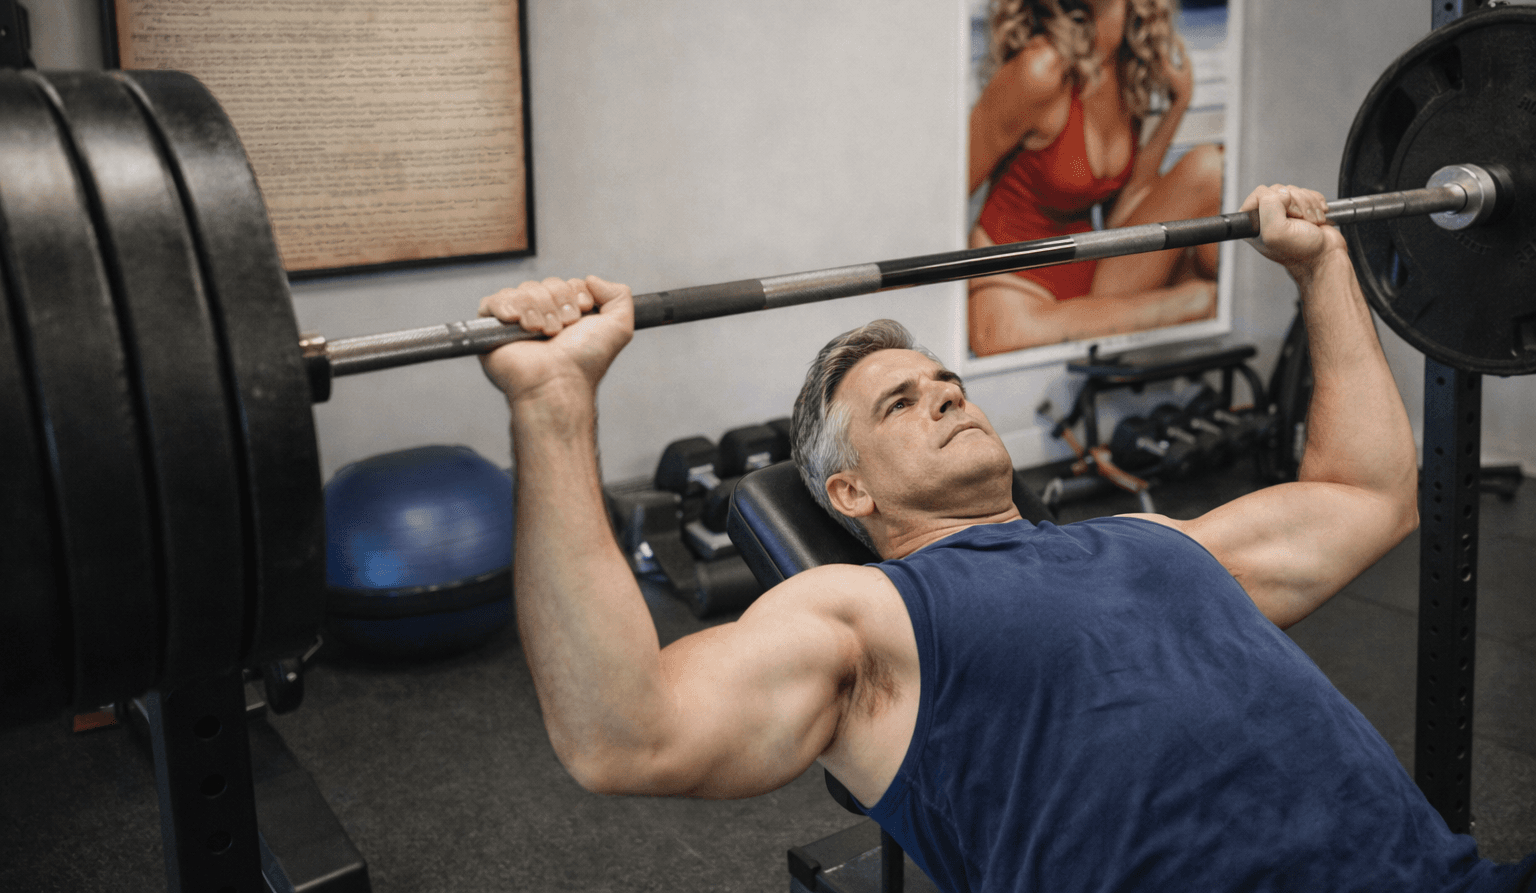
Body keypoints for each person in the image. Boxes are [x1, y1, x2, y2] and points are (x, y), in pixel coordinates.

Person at [477, 184, 1535, 892]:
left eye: (947, 383)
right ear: (848, 490)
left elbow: (1368, 492)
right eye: (901, 404)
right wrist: (557, 405)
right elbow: (625, 733)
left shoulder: (1154, 543)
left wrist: (1322, 267)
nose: (945, 398)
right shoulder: (868, 615)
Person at [967, 0, 1225, 355]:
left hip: (1093, 276)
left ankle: (1190, 310)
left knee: (1210, 168)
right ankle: (1184, 307)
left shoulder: (1129, 62)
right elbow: (944, 193)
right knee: (1198, 300)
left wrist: (1178, 105)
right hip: (1016, 297)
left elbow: (1125, 212)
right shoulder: (1040, 70)